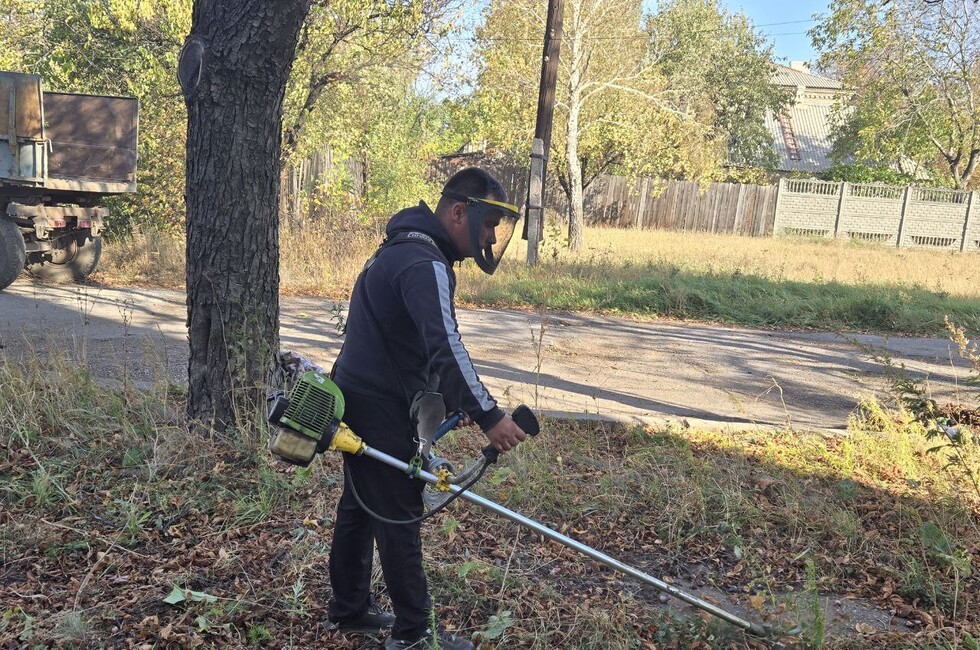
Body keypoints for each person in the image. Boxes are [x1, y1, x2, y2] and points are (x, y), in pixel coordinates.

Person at [327, 168, 528, 650]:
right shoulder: (424, 262)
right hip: (376, 405)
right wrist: (489, 415)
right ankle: (415, 635)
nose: (491, 236)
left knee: (360, 504)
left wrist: (437, 402)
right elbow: (445, 345)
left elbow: (409, 342)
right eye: (488, 224)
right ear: (459, 212)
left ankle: (349, 610)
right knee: (398, 515)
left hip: (356, 396)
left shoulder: (404, 248)